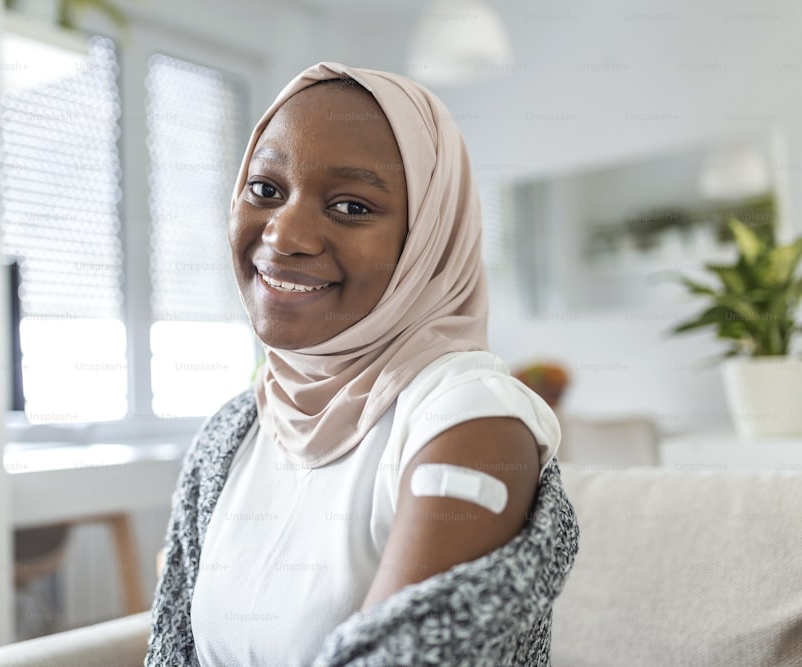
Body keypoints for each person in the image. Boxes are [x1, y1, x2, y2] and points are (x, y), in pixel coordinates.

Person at [147, 62, 578, 666]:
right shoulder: (233, 429)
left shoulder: (469, 420)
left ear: (428, 240)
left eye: (351, 206)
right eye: (266, 190)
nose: (285, 233)